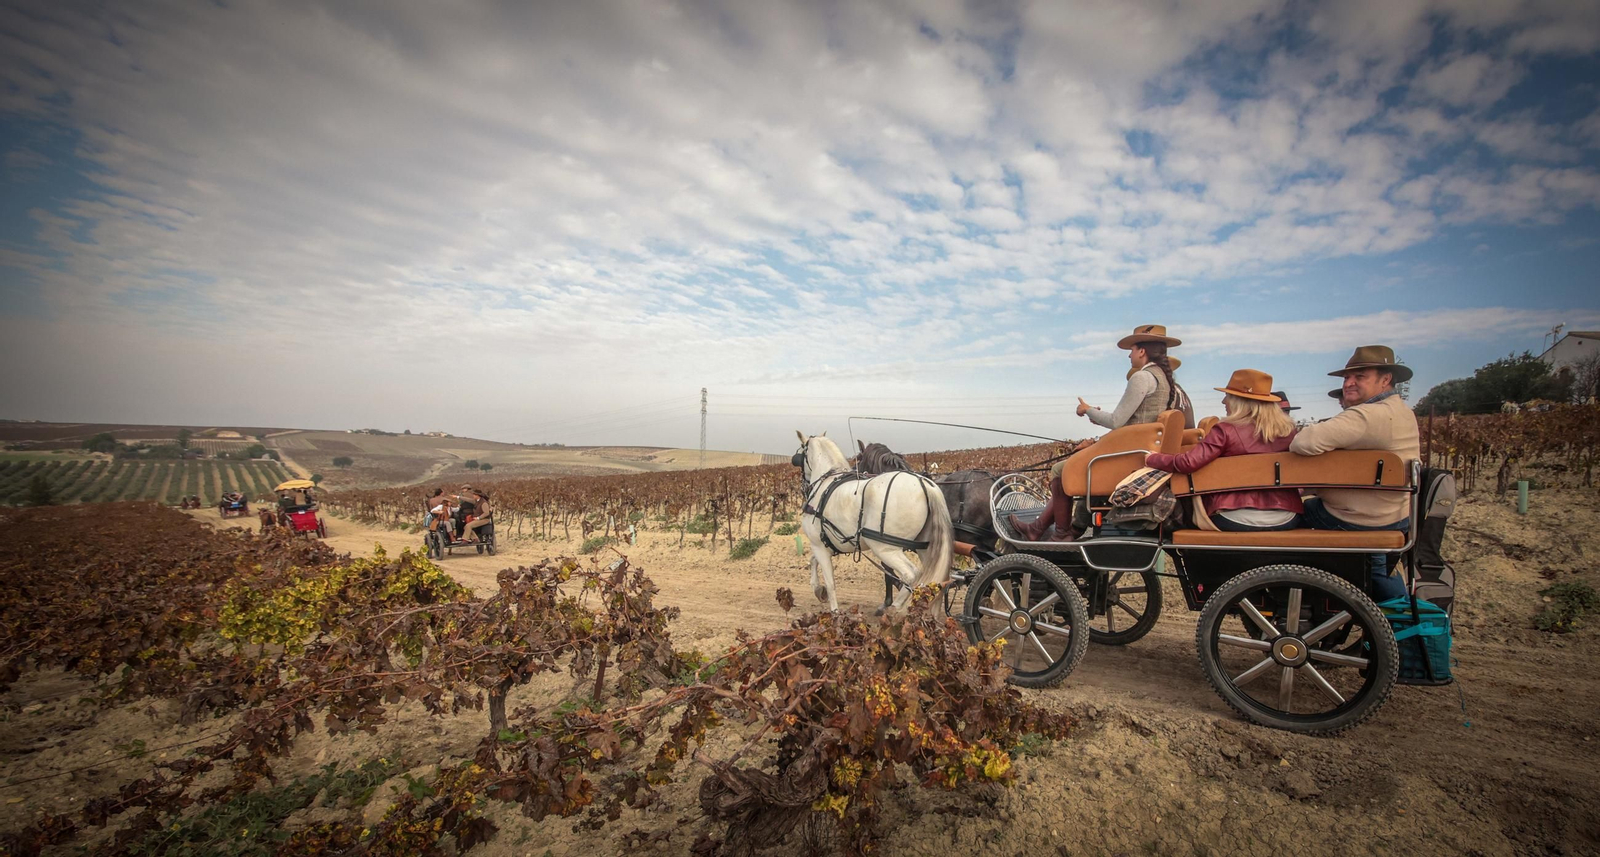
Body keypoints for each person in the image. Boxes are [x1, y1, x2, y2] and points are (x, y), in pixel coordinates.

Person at [1008, 324, 1192, 541]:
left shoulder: (1142, 378)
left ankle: (1061, 534)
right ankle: (1038, 529)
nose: (1129, 356)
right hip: (1140, 455)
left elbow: (1117, 421)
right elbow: (1136, 422)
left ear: (1142, 351)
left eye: (1131, 350)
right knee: (1071, 468)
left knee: (1059, 471)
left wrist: (1088, 411)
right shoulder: (1164, 380)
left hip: (1128, 458)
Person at [1289, 345, 1419, 601]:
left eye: (1360, 377)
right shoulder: (1400, 411)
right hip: (1393, 512)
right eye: (1347, 377)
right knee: (1379, 569)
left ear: (1385, 379)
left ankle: (1300, 590)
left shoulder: (1368, 416)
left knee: (1288, 516)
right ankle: (1392, 609)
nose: (1349, 383)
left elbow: (1302, 443)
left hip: (1361, 518)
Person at [1143, 369, 1303, 531]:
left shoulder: (1226, 430)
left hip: (1233, 517)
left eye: (1228, 396)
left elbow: (1188, 463)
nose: (1224, 401)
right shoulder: (1289, 431)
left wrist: (1152, 458)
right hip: (1287, 517)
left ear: (1239, 401)